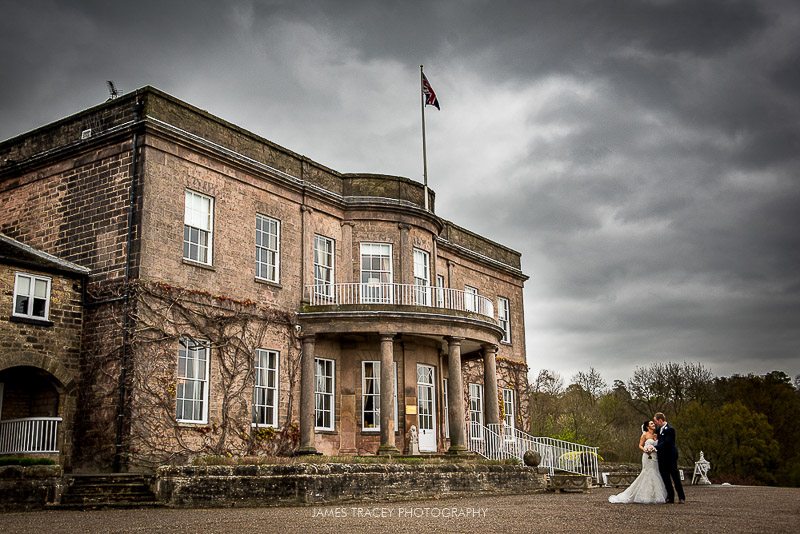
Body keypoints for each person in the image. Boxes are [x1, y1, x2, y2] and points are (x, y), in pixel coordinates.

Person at [608, 420, 668, 504]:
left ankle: (654, 495)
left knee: (655, 472)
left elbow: (658, 445)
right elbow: (640, 445)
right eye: (651, 424)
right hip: (647, 456)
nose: (653, 424)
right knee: (648, 472)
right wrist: (645, 449)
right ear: (647, 427)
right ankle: (644, 495)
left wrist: (654, 447)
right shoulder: (644, 435)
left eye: (653, 423)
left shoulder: (656, 435)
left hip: (655, 456)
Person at [654, 412, 686, 504]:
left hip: (670, 457)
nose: (655, 423)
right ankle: (670, 497)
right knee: (665, 478)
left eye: (655, 421)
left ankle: (681, 497)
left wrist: (655, 447)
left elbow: (667, 443)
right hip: (661, 458)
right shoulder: (659, 429)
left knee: (675, 477)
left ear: (660, 420)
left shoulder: (670, 429)